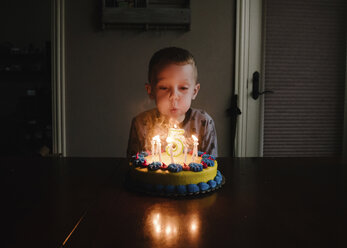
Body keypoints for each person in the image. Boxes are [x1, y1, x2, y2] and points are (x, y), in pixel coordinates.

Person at [127, 47, 218, 158]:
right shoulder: (141, 124)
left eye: (183, 88)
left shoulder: (204, 123)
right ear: (150, 90)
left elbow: (211, 165)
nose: (174, 96)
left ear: (194, 91)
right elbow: (134, 166)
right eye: (164, 88)